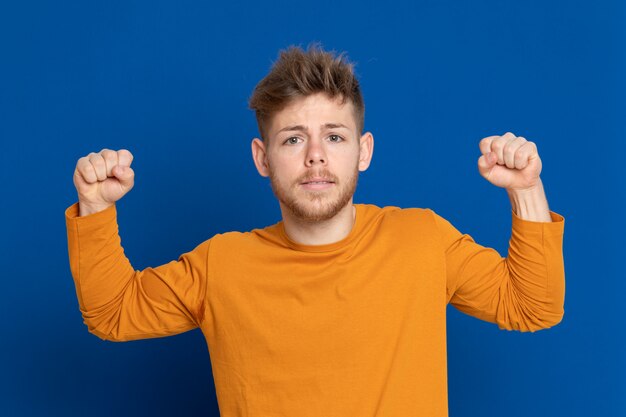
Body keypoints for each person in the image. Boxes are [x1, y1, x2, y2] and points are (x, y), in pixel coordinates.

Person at [65, 44, 565, 416]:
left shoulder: (422, 240)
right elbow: (112, 313)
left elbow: (533, 306)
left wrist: (526, 190)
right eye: (293, 138)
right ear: (263, 158)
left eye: (334, 135)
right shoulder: (222, 265)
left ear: (363, 151)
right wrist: (94, 206)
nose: (316, 156)